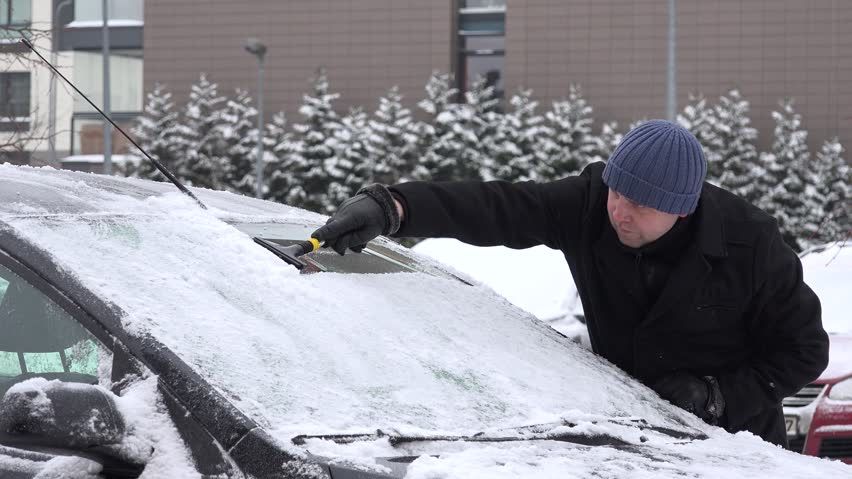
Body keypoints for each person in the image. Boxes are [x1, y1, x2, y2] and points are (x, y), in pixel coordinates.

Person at [311, 119, 828, 446]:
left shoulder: (751, 246)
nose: (619, 212)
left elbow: (804, 350)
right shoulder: (591, 205)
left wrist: (717, 396)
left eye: (639, 205)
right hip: (633, 439)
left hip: (735, 446)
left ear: (683, 211)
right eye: (616, 193)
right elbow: (500, 206)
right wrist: (395, 207)